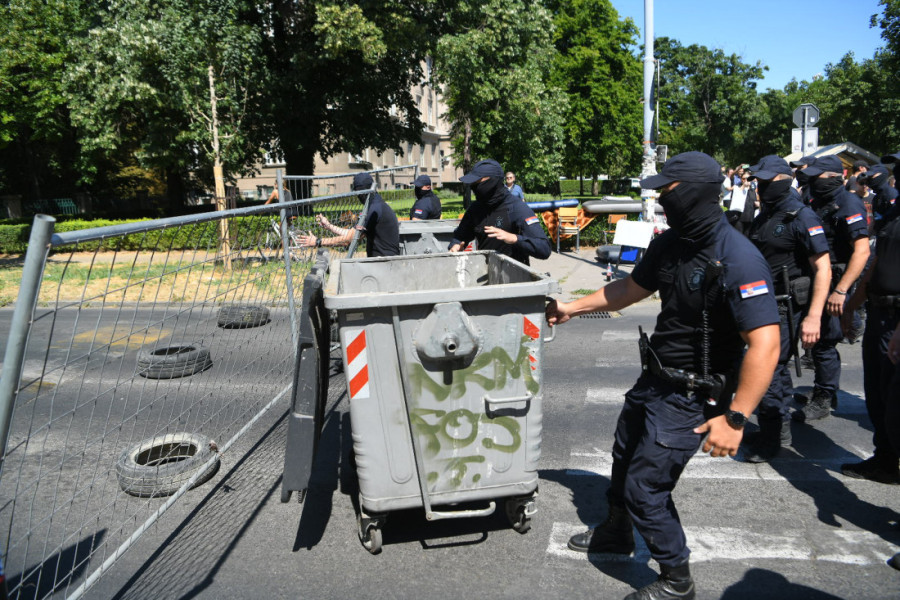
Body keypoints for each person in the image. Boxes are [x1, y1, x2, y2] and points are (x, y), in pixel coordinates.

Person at [546, 151, 780, 600]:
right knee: (622, 459)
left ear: (694, 194)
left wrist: (736, 418)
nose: (659, 199)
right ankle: (616, 533)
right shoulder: (673, 242)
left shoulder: (738, 257)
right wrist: (569, 308)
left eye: (666, 191)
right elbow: (630, 289)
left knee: (645, 487)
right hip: (655, 380)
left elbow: (765, 344)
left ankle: (676, 580)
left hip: (693, 395)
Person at [742, 156, 831, 462]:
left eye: (766, 181)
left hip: (784, 305)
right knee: (770, 369)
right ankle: (773, 429)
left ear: (783, 179)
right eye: (758, 181)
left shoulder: (801, 216)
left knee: (766, 367)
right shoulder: (765, 213)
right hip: (760, 302)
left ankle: (772, 438)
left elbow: (823, 268)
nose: (760, 186)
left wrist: (814, 317)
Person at [838, 151, 900, 485]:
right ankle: (886, 461)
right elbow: (875, 264)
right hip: (880, 312)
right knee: (878, 395)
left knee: (895, 404)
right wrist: (852, 305)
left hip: (898, 319)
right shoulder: (893, 213)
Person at [792, 155, 870, 421]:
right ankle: (824, 390)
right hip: (813, 277)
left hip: (835, 279)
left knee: (825, 341)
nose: (812, 180)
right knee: (813, 340)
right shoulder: (814, 199)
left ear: (836, 177)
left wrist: (841, 291)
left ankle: (824, 397)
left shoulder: (848, 202)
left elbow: (861, 251)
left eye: (818, 176)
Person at [449, 159, 550, 265]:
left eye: (477, 182)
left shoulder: (517, 208)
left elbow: (544, 248)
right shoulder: (475, 209)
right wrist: (456, 244)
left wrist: (514, 238)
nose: (473, 187)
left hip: (516, 276)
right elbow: (460, 235)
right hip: (486, 273)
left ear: (492, 181)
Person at [298, 172, 400, 257]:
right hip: (384, 262)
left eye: (356, 193)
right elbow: (352, 234)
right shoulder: (375, 204)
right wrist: (329, 226)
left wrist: (318, 242)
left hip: (385, 264)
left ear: (360, 192)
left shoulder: (373, 210)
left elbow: (349, 239)